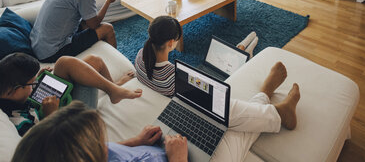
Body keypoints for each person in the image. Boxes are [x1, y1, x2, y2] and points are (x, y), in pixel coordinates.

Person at [11, 65, 300, 162]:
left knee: (210, 113)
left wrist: (135, 141)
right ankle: (271, 105)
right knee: (232, 128)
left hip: (160, 147)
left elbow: (106, 150)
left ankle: (269, 105)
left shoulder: (80, 153)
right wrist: (177, 159)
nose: (105, 142)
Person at [0, 52, 142, 136]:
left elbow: (23, 93)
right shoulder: (18, 123)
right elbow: (47, 147)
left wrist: (36, 79)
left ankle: (113, 89)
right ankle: (113, 89)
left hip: (43, 107)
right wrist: (51, 115)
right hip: (68, 127)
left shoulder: (7, 89)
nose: (34, 85)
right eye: (32, 84)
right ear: (15, 89)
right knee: (92, 65)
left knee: (71, 62)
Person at [135, 16, 259, 97]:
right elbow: (204, 92)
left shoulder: (140, 55)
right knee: (238, 68)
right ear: (171, 43)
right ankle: (246, 52)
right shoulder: (173, 75)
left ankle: (242, 48)